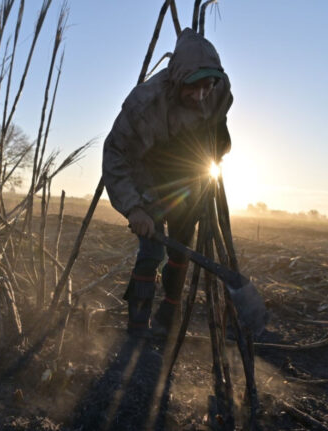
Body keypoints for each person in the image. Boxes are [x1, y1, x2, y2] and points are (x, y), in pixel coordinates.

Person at [102, 28, 233, 337]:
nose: (201, 95)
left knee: (180, 252)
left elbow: (220, 126)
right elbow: (115, 154)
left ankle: (168, 316)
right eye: (193, 87)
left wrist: (215, 151)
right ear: (177, 80)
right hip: (149, 178)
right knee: (151, 252)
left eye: (207, 86)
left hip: (189, 178)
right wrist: (134, 208)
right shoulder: (144, 104)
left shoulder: (220, 90)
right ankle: (137, 327)